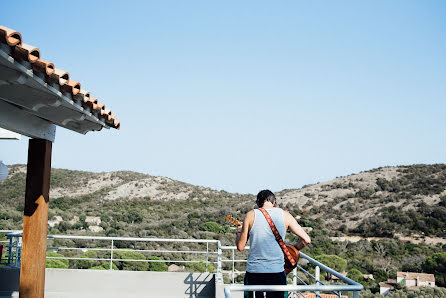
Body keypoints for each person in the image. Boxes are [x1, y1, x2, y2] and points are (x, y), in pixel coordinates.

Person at [236, 189, 311, 298]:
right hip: (276, 270)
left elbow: (240, 247)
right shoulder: (285, 215)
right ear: (274, 202)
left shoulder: (251, 215)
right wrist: (293, 249)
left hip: (255, 271)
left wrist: (239, 232)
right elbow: (306, 240)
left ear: (257, 203)